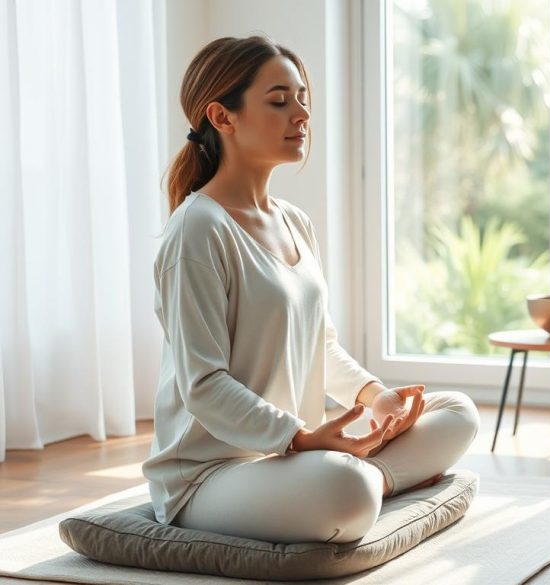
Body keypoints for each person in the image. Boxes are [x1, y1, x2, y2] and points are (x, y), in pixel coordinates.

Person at [143, 35, 480, 544]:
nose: (301, 115)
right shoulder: (197, 229)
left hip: (300, 457)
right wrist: (299, 439)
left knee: (456, 411)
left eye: (303, 99)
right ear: (222, 117)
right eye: (279, 101)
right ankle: (370, 483)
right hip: (212, 476)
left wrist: (377, 396)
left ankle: (369, 480)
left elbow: (321, 344)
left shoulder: (294, 221)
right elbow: (204, 384)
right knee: (343, 488)